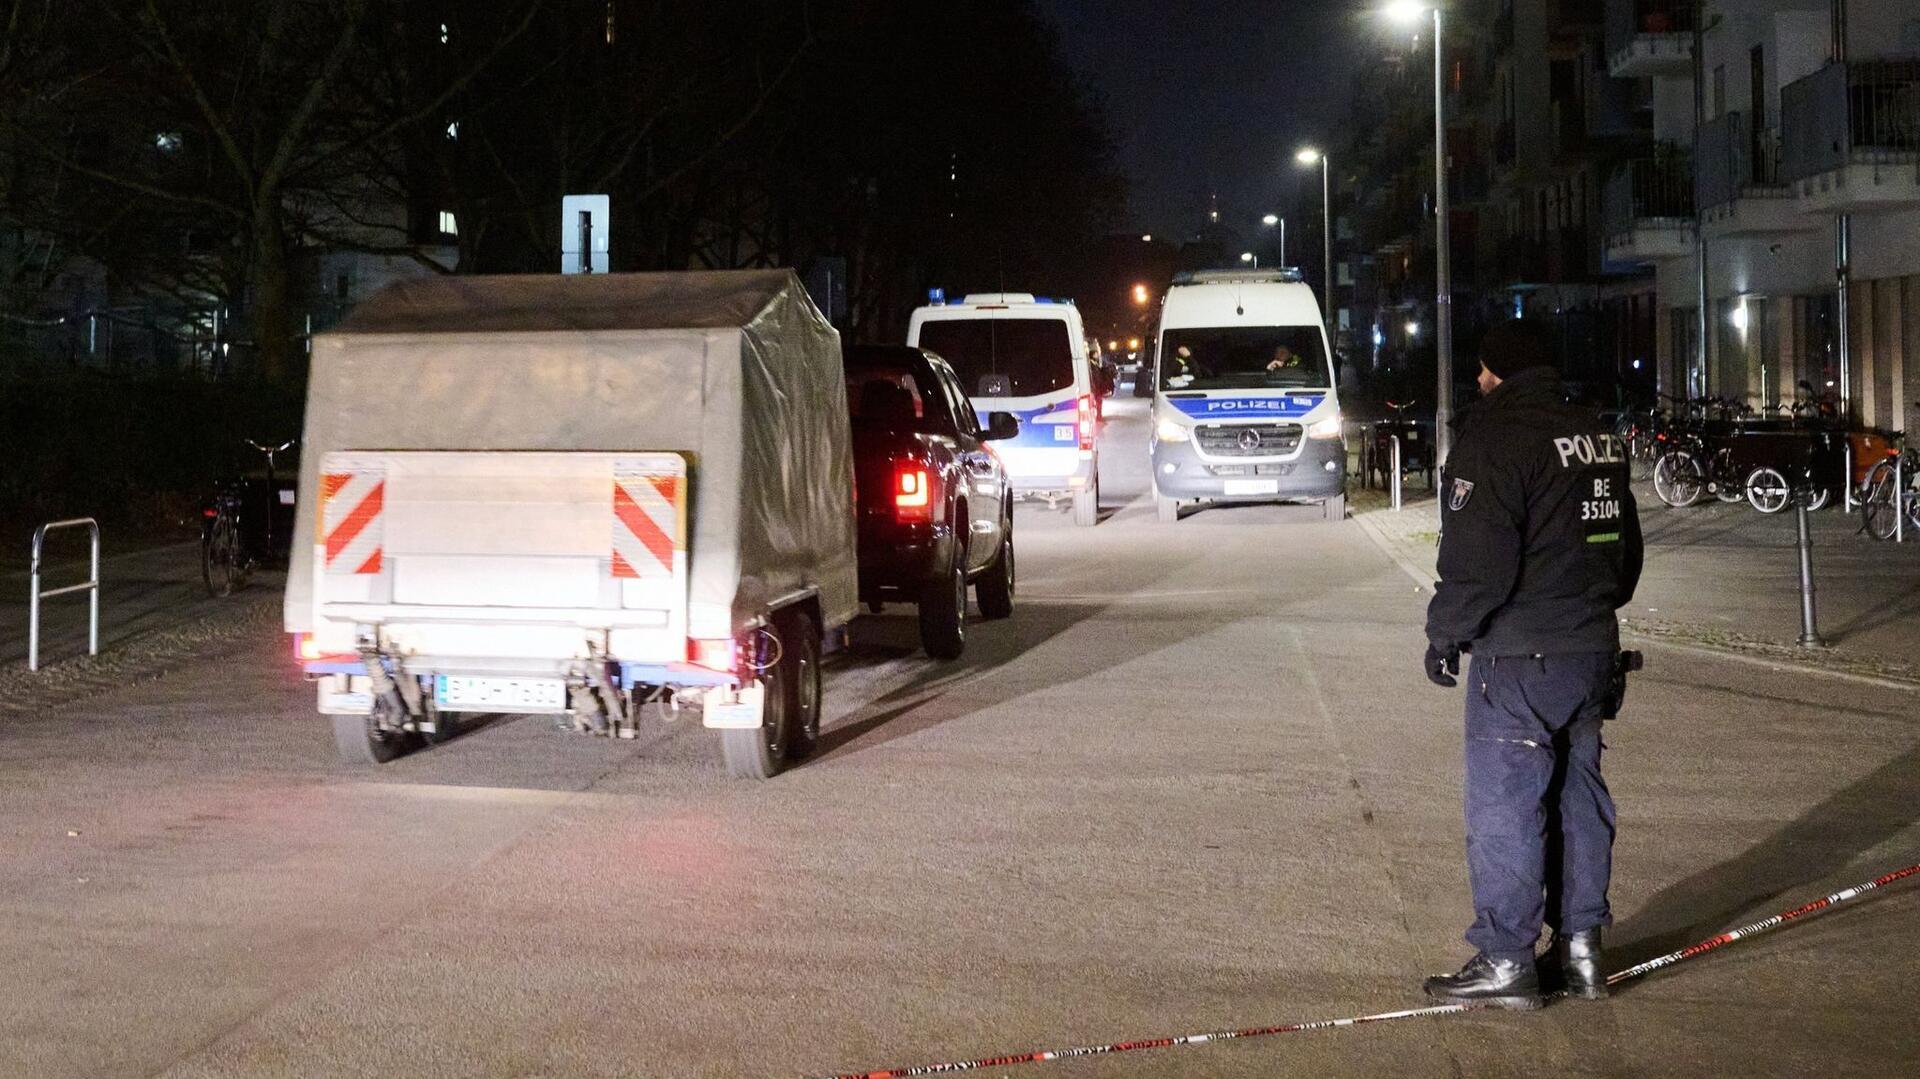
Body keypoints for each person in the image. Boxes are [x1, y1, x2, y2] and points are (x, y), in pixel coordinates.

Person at [1421, 319, 1643, 1011]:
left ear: (1497, 372)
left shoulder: (1494, 439)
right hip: (1590, 650)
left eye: (1484, 371)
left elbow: (1478, 564)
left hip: (1518, 656)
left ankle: (1507, 958)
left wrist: (1445, 633)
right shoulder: (1596, 434)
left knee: (1506, 805)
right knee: (1579, 800)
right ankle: (1581, 953)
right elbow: (1624, 550)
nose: (1479, 382)